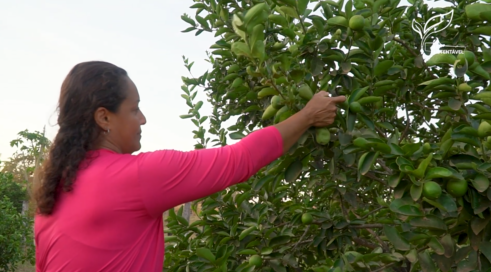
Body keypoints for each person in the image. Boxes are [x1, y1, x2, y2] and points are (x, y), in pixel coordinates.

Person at [33, 61, 346, 271]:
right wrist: (307, 116)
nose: (142, 119)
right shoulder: (136, 177)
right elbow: (240, 160)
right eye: (134, 109)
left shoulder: (50, 197)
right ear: (104, 118)